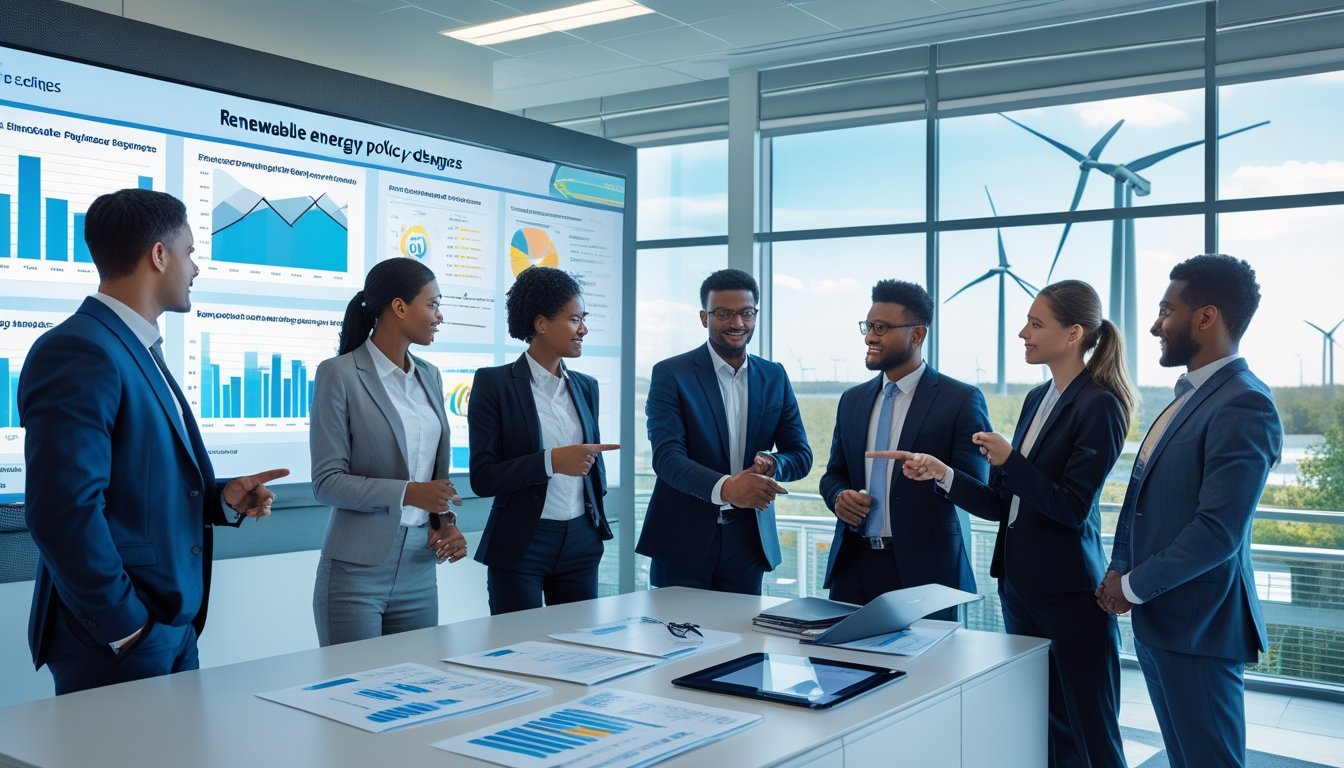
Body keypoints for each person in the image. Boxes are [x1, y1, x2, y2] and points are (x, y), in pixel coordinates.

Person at [18, 188, 288, 695]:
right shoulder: (79, 349)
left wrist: (220, 497)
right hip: (118, 637)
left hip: (170, 624)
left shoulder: (133, 346)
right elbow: (62, 511)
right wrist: (126, 628)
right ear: (158, 256)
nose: (196, 268)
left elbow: (139, 482)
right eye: (189, 252)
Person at [882, 280, 1132, 768]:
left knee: (1091, 731)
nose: (1022, 333)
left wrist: (1012, 459)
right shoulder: (1037, 400)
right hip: (1019, 587)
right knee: (1041, 726)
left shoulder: (1100, 403)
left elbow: (1071, 507)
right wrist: (944, 473)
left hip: (1068, 594)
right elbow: (1003, 505)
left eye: (1036, 324)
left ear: (1074, 333)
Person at [1097, 254, 1281, 768]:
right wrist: (1119, 569)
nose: (1156, 325)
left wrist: (1131, 586)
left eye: (1165, 310)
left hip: (1200, 627)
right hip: (1161, 621)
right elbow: (1140, 504)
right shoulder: (1186, 398)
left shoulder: (1245, 403)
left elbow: (1217, 532)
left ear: (1206, 317)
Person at [309, 258, 468, 646]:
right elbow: (327, 483)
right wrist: (406, 492)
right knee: (353, 697)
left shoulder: (430, 375)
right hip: (355, 571)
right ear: (399, 307)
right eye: (432, 304)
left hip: (420, 563)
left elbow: (429, 473)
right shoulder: (339, 374)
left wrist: (443, 520)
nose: (439, 316)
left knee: (417, 694)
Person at [637, 268, 812, 595]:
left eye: (747, 313)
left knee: (747, 644)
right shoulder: (671, 374)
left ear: (755, 314)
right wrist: (727, 488)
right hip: (682, 541)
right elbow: (666, 458)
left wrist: (772, 464)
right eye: (724, 314)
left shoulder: (774, 376)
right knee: (676, 643)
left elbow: (800, 455)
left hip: (748, 542)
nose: (737, 323)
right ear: (705, 318)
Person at [818, 279, 989, 606]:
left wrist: (940, 472)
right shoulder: (852, 400)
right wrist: (839, 496)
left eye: (881, 327)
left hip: (926, 578)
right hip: (852, 570)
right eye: (868, 326)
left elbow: (981, 495)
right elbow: (834, 474)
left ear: (917, 334)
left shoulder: (961, 400)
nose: (870, 337)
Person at [467, 266, 617, 615]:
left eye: (584, 319)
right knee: (519, 653)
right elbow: (483, 477)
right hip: (522, 543)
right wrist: (550, 461)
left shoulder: (585, 386)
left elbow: (592, 463)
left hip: (581, 539)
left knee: (581, 652)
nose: (584, 329)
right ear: (541, 323)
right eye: (574, 319)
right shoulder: (495, 384)